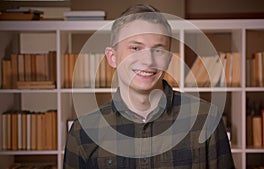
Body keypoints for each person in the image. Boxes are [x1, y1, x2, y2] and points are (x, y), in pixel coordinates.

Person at [63, 4, 234, 169]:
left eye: (158, 50)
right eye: (136, 48)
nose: (148, 61)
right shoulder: (82, 132)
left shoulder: (207, 120)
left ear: (168, 58)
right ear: (112, 57)